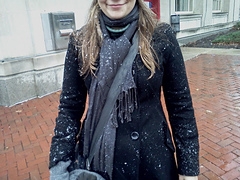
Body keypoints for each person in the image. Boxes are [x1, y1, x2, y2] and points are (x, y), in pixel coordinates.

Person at [49, 0, 199, 179]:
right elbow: (69, 108)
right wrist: (59, 165)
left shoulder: (161, 36)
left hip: (152, 163)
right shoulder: (80, 41)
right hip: (100, 166)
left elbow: (180, 106)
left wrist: (188, 168)